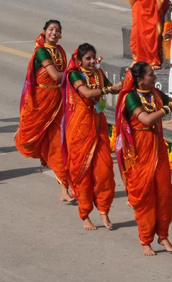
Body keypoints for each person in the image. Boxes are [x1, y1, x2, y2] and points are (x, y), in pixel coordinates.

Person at [115, 61, 172, 256]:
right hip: (139, 151)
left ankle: (163, 236)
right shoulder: (130, 97)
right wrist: (171, 107)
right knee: (145, 197)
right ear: (139, 80)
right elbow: (146, 119)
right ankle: (146, 240)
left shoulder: (155, 93)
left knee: (165, 195)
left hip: (157, 148)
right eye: (150, 75)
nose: (154, 77)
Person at [63, 42, 120, 230]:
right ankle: (84, 214)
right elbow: (87, 93)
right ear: (79, 61)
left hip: (98, 124)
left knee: (105, 172)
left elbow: (114, 89)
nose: (92, 61)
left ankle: (104, 211)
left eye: (93, 57)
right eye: (88, 58)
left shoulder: (99, 73)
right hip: (80, 127)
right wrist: (108, 90)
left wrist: (129, 81)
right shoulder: (74, 75)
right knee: (83, 174)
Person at [16, 19, 73, 202]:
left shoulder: (60, 51)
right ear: (44, 32)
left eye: (57, 30)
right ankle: (22, 134)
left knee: (59, 146)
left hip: (58, 103)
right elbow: (56, 76)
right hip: (41, 103)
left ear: (61, 35)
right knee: (29, 139)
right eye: (51, 29)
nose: (54, 32)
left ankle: (64, 189)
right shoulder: (41, 51)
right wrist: (77, 74)